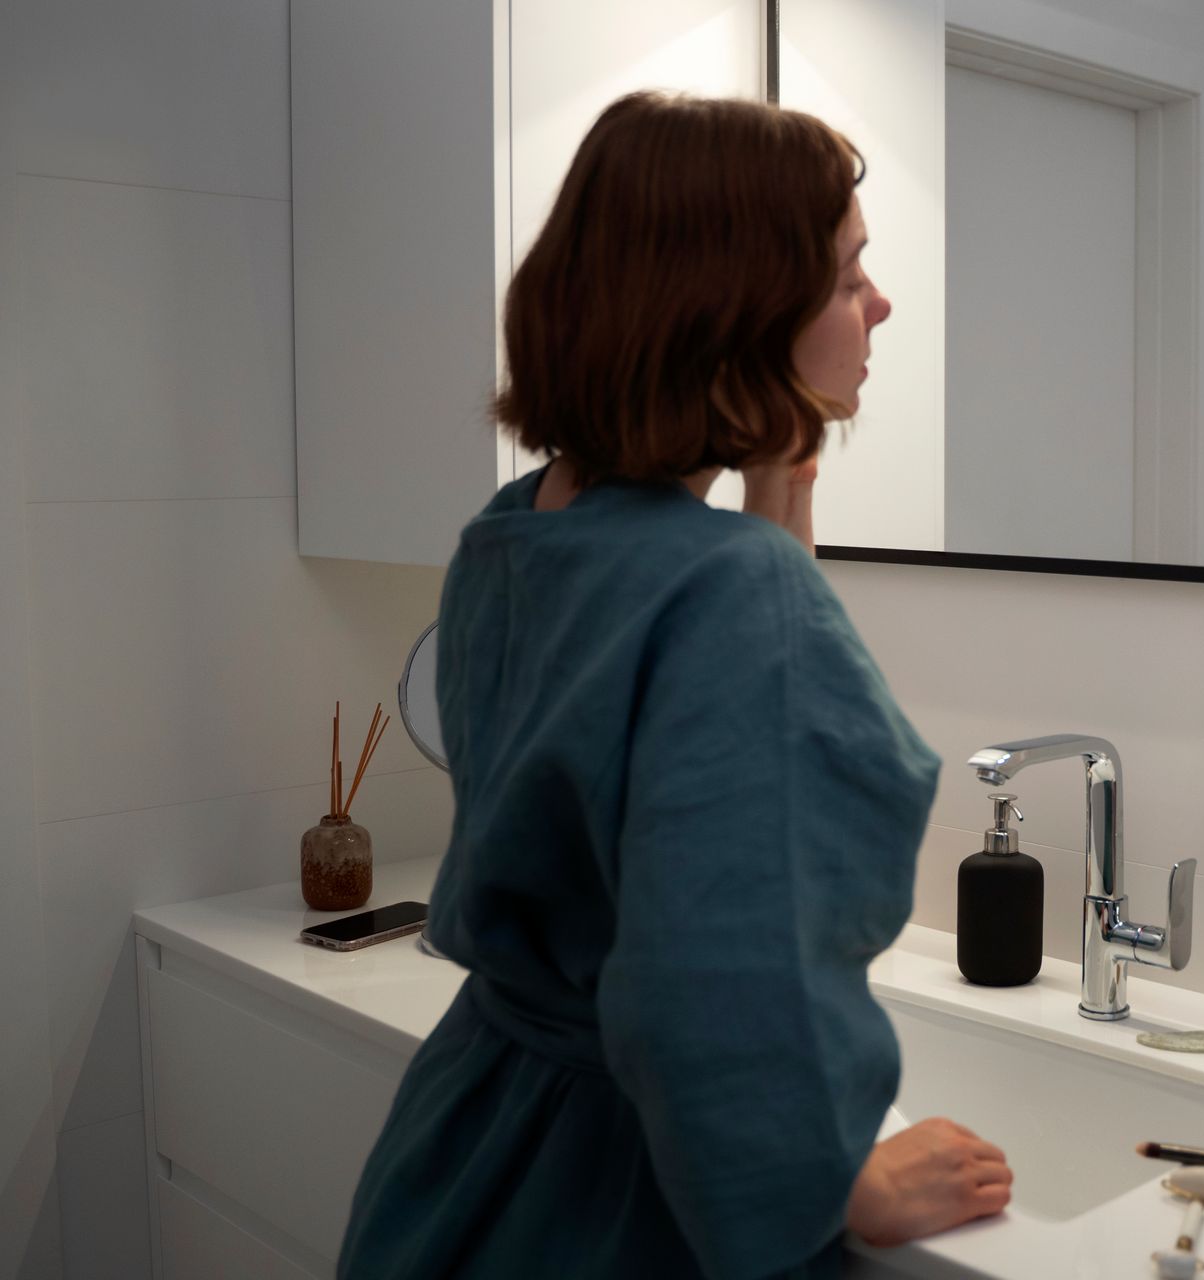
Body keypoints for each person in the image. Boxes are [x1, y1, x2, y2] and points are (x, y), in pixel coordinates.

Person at [338, 93, 1012, 1279]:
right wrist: (839, 1179)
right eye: (848, 274)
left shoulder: (516, 528)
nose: (880, 303)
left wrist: (780, 488)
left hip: (471, 1144)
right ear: (737, 312)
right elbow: (711, 986)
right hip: (619, 1199)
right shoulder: (733, 590)